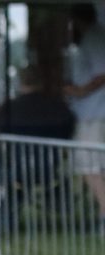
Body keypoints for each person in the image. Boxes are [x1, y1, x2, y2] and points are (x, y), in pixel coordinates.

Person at [64, 3, 105, 231]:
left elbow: (102, 73)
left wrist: (80, 91)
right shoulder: (94, 37)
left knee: (88, 163)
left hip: (94, 113)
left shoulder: (94, 37)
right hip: (92, 112)